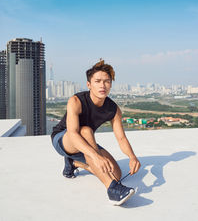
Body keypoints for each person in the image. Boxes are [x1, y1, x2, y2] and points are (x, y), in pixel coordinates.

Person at [51, 60, 140, 205]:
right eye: (97, 81)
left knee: (116, 174)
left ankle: (74, 163)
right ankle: (112, 190)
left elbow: (121, 138)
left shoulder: (113, 109)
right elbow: (73, 134)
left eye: (106, 81)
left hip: (85, 142)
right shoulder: (76, 101)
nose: (102, 85)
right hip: (64, 140)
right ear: (89, 85)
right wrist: (96, 156)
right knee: (85, 130)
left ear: (111, 84)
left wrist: (132, 157)